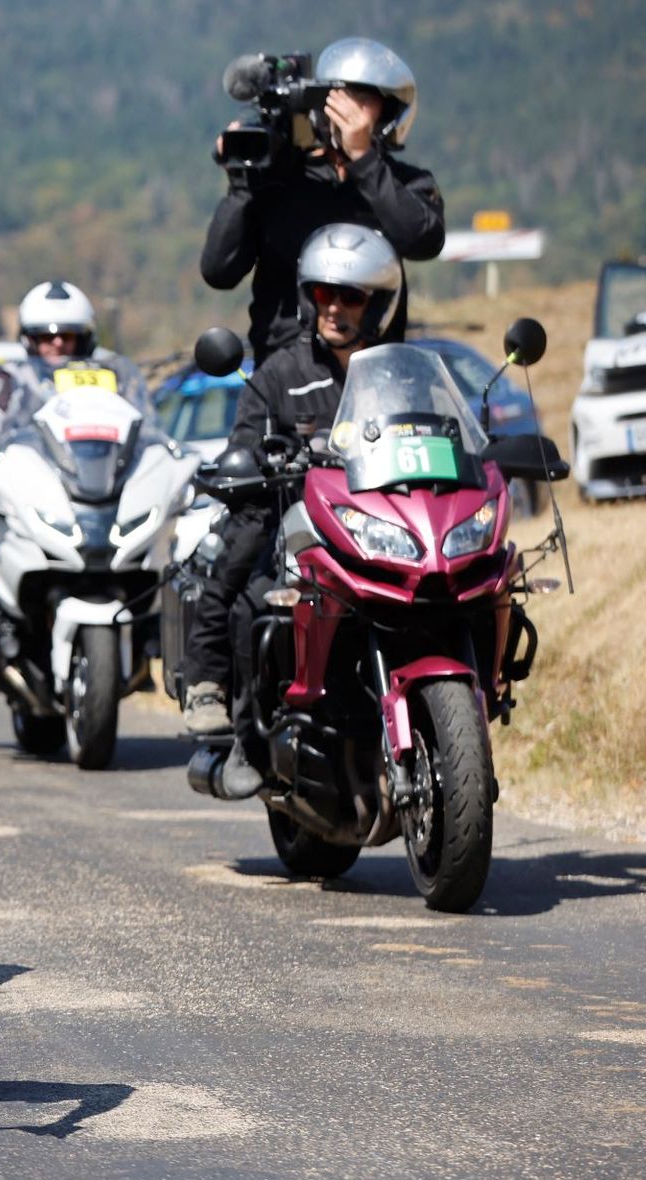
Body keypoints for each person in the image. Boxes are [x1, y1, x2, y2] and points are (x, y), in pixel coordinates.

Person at [182, 223, 402, 793]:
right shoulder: (282, 371)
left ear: (377, 303)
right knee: (249, 580)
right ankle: (225, 707)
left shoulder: (398, 371)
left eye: (350, 296)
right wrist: (251, 462)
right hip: (295, 519)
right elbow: (245, 440)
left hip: (378, 524)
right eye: (324, 294)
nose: (333, 307)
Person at [200, 37, 442, 366]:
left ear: (389, 110)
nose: (348, 109)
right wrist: (242, 184)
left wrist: (364, 159)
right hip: (283, 381)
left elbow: (423, 240)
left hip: (371, 378)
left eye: (363, 97)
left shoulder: (405, 182)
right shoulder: (278, 183)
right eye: (337, 96)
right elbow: (219, 272)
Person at [0, 279, 154, 453]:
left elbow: (142, 421)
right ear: (30, 340)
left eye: (67, 335)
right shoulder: (16, 376)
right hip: (32, 473)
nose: (58, 343)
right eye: (47, 336)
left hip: (104, 469)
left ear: (83, 339)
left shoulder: (113, 375)